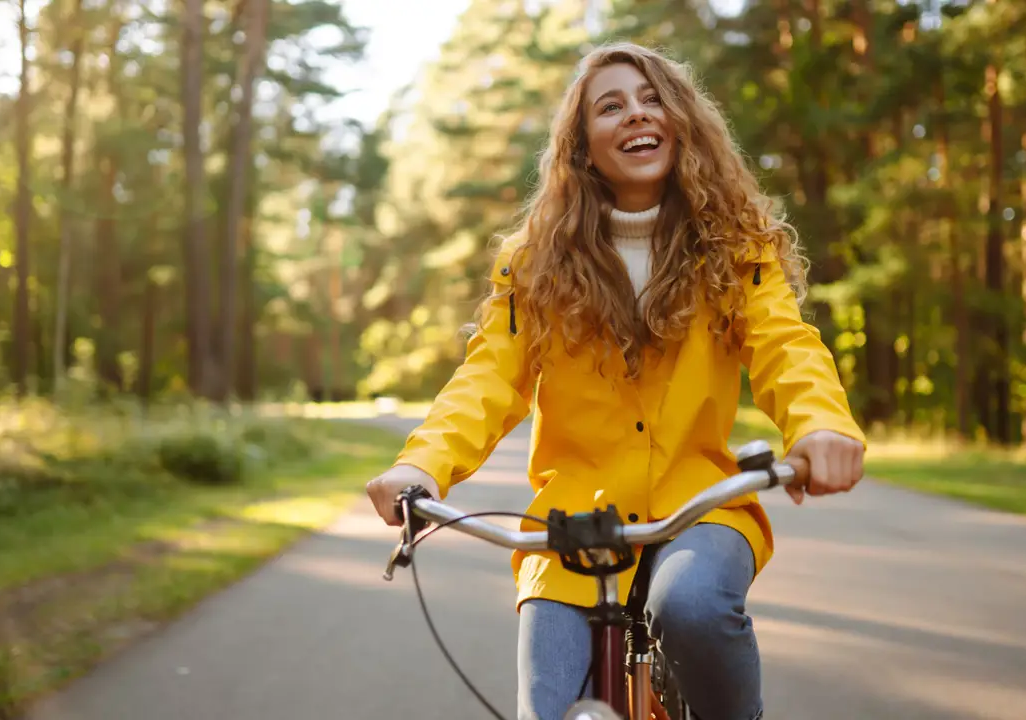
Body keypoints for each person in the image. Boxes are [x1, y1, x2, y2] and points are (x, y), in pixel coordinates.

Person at [365, 42, 865, 720]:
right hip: (572, 523)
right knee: (545, 707)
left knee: (690, 606)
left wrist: (822, 426)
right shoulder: (536, 263)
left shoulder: (736, 246)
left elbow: (786, 346)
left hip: (701, 505)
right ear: (582, 146)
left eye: (651, 98)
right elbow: (487, 377)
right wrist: (420, 466)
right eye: (611, 106)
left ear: (681, 120)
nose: (635, 114)